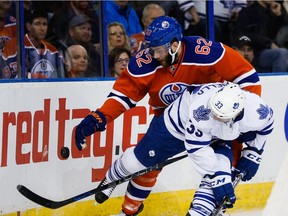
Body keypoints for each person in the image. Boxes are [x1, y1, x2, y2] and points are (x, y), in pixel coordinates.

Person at [74, 16, 261, 215]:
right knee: (147, 164)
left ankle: (210, 207)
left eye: (159, 50)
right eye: (151, 49)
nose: (154, 55)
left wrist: (244, 131)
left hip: (213, 119)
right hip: (168, 121)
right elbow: (123, 97)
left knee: (226, 162)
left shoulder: (205, 51)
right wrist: (98, 118)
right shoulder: (144, 62)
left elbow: (247, 77)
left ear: (174, 44)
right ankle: (130, 210)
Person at [91, 82, 274, 215]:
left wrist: (254, 153)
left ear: (237, 113)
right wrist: (219, 179)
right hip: (174, 128)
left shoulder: (257, 110)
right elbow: (197, 150)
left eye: (222, 117)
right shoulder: (201, 113)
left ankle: (199, 212)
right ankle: (111, 178)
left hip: (219, 136)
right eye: (215, 114)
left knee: (222, 170)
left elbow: (267, 126)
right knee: (136, 162)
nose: (215, 117)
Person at [0, 10, 65, 79]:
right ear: (28, 26)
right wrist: (35, 77)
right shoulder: (15, 45)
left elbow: (60, 77)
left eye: (44, 24)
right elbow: (8, 76)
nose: (42, 28)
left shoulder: (53, 51)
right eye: (37, 24)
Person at [234, 0, 288, 72]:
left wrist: (278, 16)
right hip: (255, 52)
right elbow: (246, 34)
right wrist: (269, 43)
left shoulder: (272, 11)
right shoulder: (247, 12)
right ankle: (279, 82)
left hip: (271, 49)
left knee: (282, 52)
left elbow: (278, 35)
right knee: (281, 53)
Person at [179, 0, 248, 46]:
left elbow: (241, 5)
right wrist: (195, 16)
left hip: (227, 22)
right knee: (214, 26)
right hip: (201, 22)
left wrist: (236, 12)